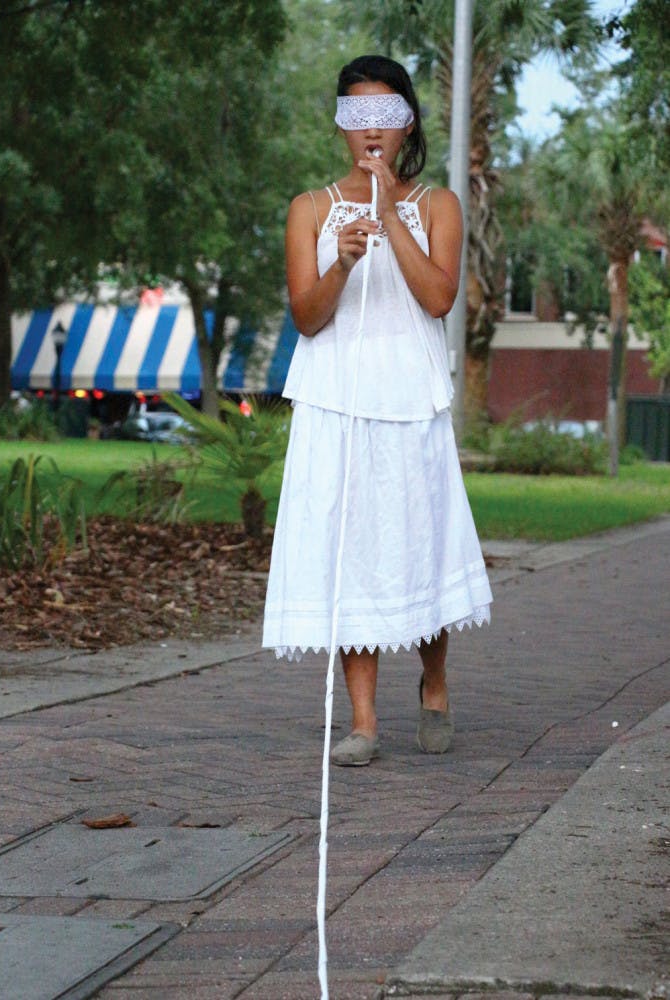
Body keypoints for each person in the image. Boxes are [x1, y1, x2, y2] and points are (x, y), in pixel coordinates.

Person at [262, 54, 492, 766]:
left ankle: (434, 683)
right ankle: (363, 721)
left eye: (385, 116)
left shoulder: (438, 205)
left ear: (407, 125)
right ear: (340, 126)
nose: (371, 131)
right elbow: (308, 317)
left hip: (409, 399)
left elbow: (439, 299)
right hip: (336, 402)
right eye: (357, 116)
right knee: (350, 554)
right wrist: (341, 262)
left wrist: (390, 215)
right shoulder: (308, 209)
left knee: (420, 544)